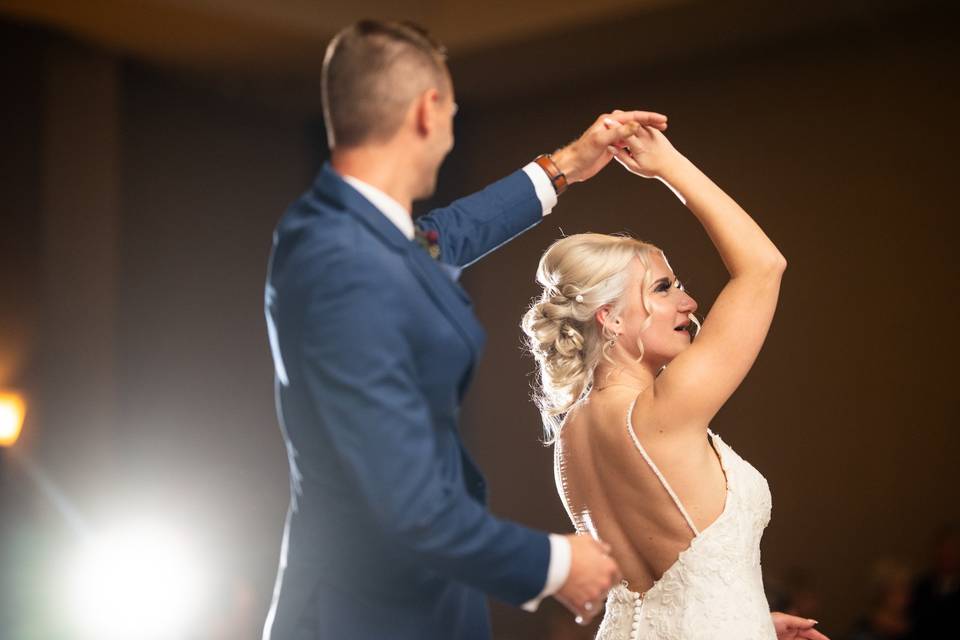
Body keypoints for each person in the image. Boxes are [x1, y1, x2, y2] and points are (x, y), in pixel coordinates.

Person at [262, 19, 669, 640]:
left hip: (417, 603)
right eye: (452, 110)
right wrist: (554, 564)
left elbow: (444, 236)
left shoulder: (357, 234)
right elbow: (403, 499)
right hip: (364, 616)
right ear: (429, 111)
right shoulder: (341, 260)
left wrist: (565, 166)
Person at [522, 122, 830, 639]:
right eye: (664, 287)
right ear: (611, 318)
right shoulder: (663, 408)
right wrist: (668, 166)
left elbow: (661, 592)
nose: (688, 302)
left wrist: (749, 622)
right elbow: (763, 266)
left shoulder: (569, 435)